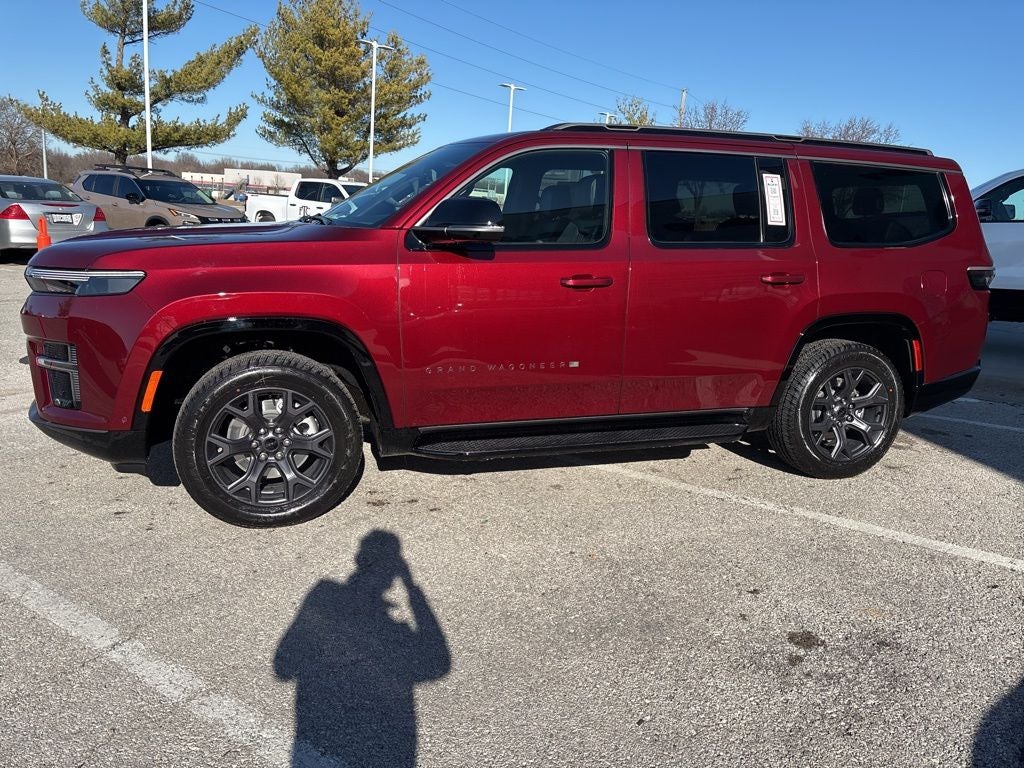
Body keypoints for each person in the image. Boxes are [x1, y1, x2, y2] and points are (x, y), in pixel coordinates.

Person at [274, 530, 450, 767]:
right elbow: (436, 664)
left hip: (323, 730)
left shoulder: (323, 593)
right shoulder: (325, 594)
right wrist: (411, 588)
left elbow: (284, 667)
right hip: (388, 738)